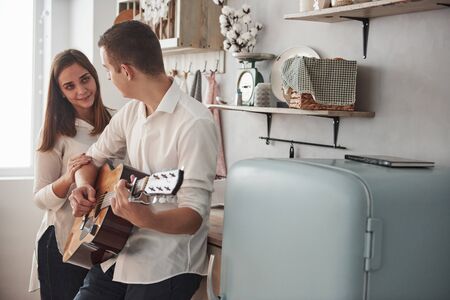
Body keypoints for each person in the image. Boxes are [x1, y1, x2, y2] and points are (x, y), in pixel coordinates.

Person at [69, 21, 218, 300]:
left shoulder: (194, 123)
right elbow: (90, 160)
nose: (109, 79)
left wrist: (146, 218)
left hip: (167, 266)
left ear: (125, 71)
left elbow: (193, 217)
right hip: (120, 251)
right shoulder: (130, 113)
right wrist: (83, 188)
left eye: (108, 70)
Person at [29, 49, 112, 300]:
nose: (81, 90)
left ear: (95, 76)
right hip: (62, 243)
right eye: (70, 86)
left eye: (85, 79)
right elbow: (39, 198)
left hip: (106, 241)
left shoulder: (117, 121)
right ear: (61, 92)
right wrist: (68, 178)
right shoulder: (55, 132)